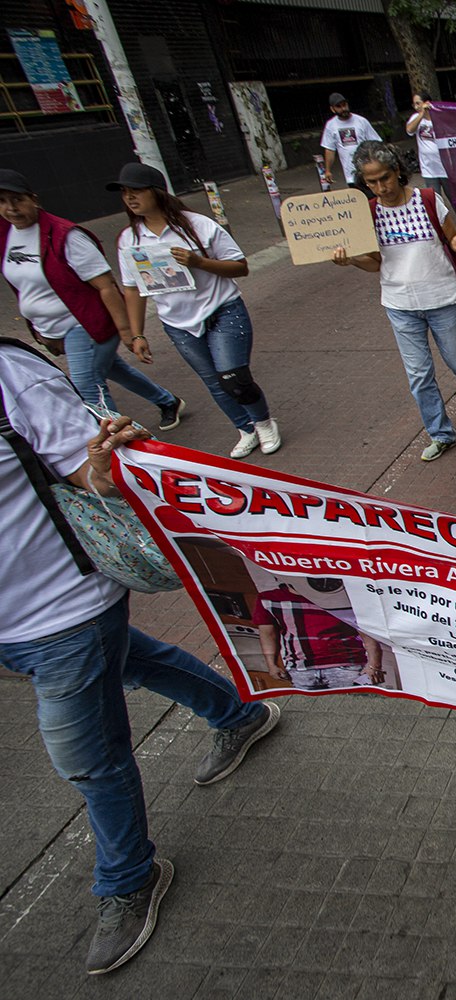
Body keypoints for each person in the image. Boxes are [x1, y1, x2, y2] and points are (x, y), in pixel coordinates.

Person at [0, 342, 280, 974]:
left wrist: (109, 462)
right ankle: (239, 715)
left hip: (62, 611)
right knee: (127, 659)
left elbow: (92, 476)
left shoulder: (9, 376)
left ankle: (128, 878)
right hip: (21, 633)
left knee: (89, 758)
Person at [110, 163, 282, 459]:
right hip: (178, 324)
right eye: (124, 192)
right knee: (214, 382)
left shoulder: (198, 226)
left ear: (157, 191)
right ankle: (245, 429)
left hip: (222, 310)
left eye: (136, 190)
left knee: (232, 377)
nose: (129, 197)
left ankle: (264, 423)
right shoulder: (130, 239)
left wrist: (198, 262)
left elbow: (240, 267)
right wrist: (137, 334)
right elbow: (133, 288)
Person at [332, 141, 456, 463]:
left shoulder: (427, 199)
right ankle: (440, 433)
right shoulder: (368, 213)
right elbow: (375, 262)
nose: (380, 187)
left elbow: (454, 238)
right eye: (371, 182)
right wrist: (352, 260)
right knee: (419, 375)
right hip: (399, 304)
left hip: (443, 298)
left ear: (397, 171)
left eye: (385, 178)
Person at [0, 169, 184, 428]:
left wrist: (127, 332)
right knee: (111, 368)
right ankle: (167, 401)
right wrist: (40, 328)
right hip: (55, 328)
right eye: (2, 202)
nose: (11, 208)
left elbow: (106, 285)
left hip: (84, 324)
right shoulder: (6, 235)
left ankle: (123, 443)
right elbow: (26, 287)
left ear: (34, 199)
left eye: (18, 200)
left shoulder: (65, 235)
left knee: (87, 386)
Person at [254, 577, 384, 689]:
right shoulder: (269, 599)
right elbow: (268, 634)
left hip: (347, 665)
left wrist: (374, 664)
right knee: (309, 708)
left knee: (352, 706)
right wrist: (271, 664)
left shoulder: (343, 596)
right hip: (300, 669)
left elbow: (365, 628)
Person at [320, 93, 382, 196]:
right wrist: (328, 170)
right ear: (332, 109)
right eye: (339, 106)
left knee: (374, 199)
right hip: (351, 175)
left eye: (344, 105)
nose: (343, 108)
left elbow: (376, 143)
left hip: (368, 170)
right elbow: (330, 150)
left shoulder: (361, 121)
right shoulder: (331, 125)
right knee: (359, 201)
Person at [405, 92, 449, 202]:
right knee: (435, 199)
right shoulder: (416, 117)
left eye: (418, 103)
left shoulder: (439, 117)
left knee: (453, 197)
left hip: (445, 166)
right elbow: (409, 130)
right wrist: (421, 114)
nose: (416, 107)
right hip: (429, 168)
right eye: (414, 104)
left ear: (427, 102)